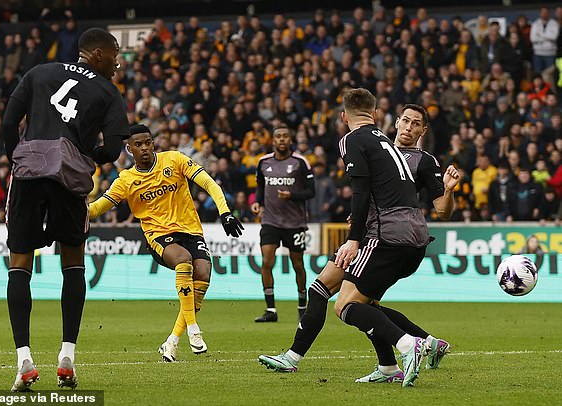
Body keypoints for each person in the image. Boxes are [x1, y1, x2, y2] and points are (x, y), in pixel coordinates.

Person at [259, 94, 460, 388]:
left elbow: (373, 193)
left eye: (416, 123)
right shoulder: (385, 148)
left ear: (422, 131)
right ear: (387, 119)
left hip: (384, 235)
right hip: (383, 233)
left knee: (347, 305)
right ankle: (395, 360)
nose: (408, 126)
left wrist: (354, 238)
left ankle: (407, 345)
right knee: (339, 295)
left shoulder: (413, 157)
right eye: (405, 120)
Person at [1, 28, 129, 391]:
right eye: (116, 55)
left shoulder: (39, 72)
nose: (118, 64)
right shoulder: (107, 91)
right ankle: (66, 357)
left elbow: (9, 122)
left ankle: (24, 360)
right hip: (69, 174)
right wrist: (90, 155)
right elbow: (114, 148)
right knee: (73, 261)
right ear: (98, 55)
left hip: (28, 170)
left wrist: (17, 158)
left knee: (20, 263)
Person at [88, 124, 243, 362]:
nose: (144, 148)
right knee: (184, 260)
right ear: (129, 149)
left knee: (203, 273)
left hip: (191, 230)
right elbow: (98, 208)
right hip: (159, 237)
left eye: (148, 142)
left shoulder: (175, 160)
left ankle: (172, 341)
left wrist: (225, 213)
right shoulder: (126, 180)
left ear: (153, 143)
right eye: (138, 145)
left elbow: (210, 183)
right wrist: (70, 212)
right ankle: (193, 329)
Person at [251, 126, 315, 322]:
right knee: (267, 262)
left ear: (290, 139)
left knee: (298, 264)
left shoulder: (300, 163)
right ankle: (271, 310)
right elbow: (260, 186)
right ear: (273, 140)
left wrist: (292, 195)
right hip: (270, 221)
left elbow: (311, 192)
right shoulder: (263, 162)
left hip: (294, 223)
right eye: (278, 137)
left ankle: (302, 307)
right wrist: (257, 202)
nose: (282, 140)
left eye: (285, 136)